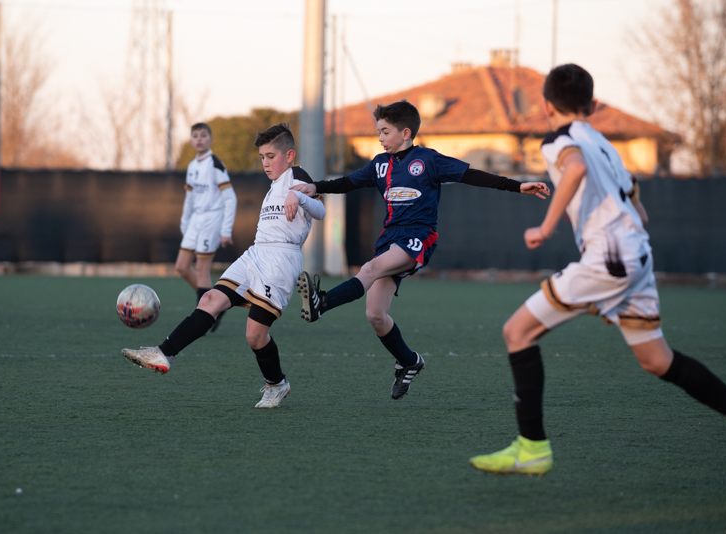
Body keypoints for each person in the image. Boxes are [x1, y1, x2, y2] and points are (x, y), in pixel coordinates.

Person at [469, 64, 726, 477]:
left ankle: (532, 448)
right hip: (637, 255)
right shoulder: (603, 143)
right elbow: (637, 204)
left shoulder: (559, 140)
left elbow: (575, 168)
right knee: (658, 360)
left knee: (516, 332)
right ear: (593, 105)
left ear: (546, 106)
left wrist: (545, 227)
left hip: (608, 259)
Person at [291, 100, 550, 400]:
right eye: (378, 131)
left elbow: (472, 175)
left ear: (405, 133)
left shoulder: (428, 159)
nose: (380, 137)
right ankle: (409, 361)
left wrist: (517, 186)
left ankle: (322, 303)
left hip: (418, 236)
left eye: (385, 132)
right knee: (375, 315)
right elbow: (348, 182)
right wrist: (316, 187)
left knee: (370, 269)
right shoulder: (379, 164)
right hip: (389, 238)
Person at [122, 123, 326, 408]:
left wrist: (300, 196)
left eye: (271, 156)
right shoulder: (274, 185)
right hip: (255, 253)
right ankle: (163, 353)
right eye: (262, 157)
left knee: (255, 335)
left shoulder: (297, 176)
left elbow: (321, 211)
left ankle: (277, 384)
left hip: (281, 260)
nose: (266, 163)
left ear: (289, 155)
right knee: (210, 299)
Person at [177, 122, 237, 331]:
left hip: (212, 219)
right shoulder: (192, 166)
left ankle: (201, 318)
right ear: (191, 140)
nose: (199, 139)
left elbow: (230, 198)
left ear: (211, 139)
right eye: (195, 136)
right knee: (182, 266)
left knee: (202, 268)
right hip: (195, 220)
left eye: (203, 135)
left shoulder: (215, 164)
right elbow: (189, 198)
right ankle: (215, 304)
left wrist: (226, 230)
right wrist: (185, 223)